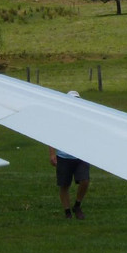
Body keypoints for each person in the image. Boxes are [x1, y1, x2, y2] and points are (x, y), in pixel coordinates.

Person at [49, 91, 90, 220]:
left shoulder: (84, 118)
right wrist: (52, 154)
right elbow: (51, 135)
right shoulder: (59, 118)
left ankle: (77, 205)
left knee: (85, 181)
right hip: (63, 156)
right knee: (64, 185)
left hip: (81, 156)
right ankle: (67, 212)